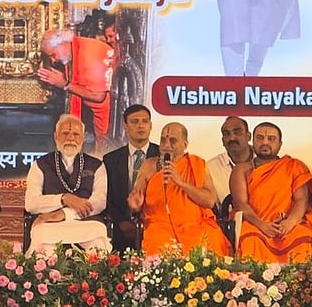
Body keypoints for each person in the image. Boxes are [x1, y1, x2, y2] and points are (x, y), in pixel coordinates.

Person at [127, 122, 232, 257]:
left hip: (195, 225)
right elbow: (137, 199)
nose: (166, 145)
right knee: (158, 242)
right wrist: (136, 205)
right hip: (160, 226)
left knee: (211, 238)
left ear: (185, 144)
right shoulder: (149, 166)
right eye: (163, 140)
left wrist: (181, 183)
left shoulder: (197, 164)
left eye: (173, 141)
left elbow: (209, 201)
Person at [231, 122, 312, 262]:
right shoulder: (241, 170)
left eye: (271, 139)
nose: (265, 142)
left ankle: (299, 284)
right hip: (254, 223)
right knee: (251, 240)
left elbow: (302, 201)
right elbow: (241, 205)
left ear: (280, 144)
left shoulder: (294, 166)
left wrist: (288, 223)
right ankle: (251, 284)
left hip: (289, 223)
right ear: (252, 141)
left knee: (305, 240)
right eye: (260, 138)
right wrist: (262, 225)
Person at [24, 114, 111, 256]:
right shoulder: (40, 164)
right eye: (65, 133)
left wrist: (64, 214)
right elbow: (31, 203)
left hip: (87, 223)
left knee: (98, 248)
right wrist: (63, 199)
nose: (70, 138)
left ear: (83, 138)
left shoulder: (96, 165)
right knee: (45, 250)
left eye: (76, 134)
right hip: (49, 225)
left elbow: (99, 202)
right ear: (56, 136)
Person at [36, 29, 114, 154]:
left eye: (52, 55)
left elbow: (98, 96)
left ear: (61, 44)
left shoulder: (89, 53)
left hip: (111, 118)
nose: (53, 60)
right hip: (100, 119)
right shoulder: (74, 50)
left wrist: (64, 84)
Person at [102, 104, 160, 251]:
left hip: (157, 224)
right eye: (135, 122)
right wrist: (121, 222)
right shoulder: (110, 159)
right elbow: (106, 197)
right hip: (120, 227)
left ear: (151, 125)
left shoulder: (163, 156)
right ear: (125, 127)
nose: (141, 126)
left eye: (145, 121)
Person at [207, 116, 255, 208]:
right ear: (222, 141)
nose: (232, 138)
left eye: (237, 132)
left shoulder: (267, 161)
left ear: (248, 136)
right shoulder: (211, 168)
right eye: (226, 134)